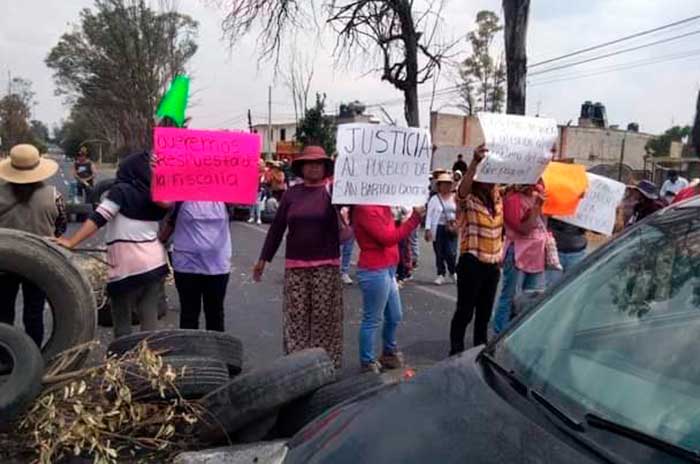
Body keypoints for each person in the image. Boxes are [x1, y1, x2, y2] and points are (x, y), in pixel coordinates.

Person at [55, 151, 170, 338]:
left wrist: (71, 241)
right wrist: (158, 174)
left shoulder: (121, 191)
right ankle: (148, 353)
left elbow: (99, 217)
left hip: (127, 262)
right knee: (148, 310)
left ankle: (122, 356)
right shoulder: (157, 195)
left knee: (121, 311)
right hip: (155, 261)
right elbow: (166, 204)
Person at [253, 146, 344, 368]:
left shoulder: (334, 192)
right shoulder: (292, 194)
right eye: (308, 163)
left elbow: (348, 226)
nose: (313, 166)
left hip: (326, 266)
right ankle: (297, 368)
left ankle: (325, 365)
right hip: (295, 268)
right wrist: (263, 260)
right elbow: (276, 229)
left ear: (325, 167)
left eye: (318, 163)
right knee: (296, 319)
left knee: (324, 320)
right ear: (301, 167)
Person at [0, 144, 67, 347]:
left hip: (5, 261)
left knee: (3, 311)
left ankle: (5, 356)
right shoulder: (54, 195)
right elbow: (61, 227)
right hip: (39, 261)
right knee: (34, 312)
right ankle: (34, 354)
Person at [352, 202, 424, 373]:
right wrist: (414, 219)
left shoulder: (383, 206)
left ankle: (388, 352)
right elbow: (387, 238)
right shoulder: (364, 209)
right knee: (373, 318)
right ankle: (367, 360)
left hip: (388, 267)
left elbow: (392, 234)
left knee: (394, 315)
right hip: (374, 269)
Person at [449, 146, 503, 355]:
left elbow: (523, 181)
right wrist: (474, 162)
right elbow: (461, 192)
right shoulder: (469, 199)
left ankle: (480, 351)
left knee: (484, 314)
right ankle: (456, 351)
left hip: (492, 265)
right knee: (465, 311)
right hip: (472, 263)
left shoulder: (497, 197)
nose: (491, 180)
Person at [161, 201, 232, 331]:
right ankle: (191, 349)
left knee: (214, 313)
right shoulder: (181, 200)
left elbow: (170, 226)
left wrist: (161, 240)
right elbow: (170, 221)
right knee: (190, 314)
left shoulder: (225, 201)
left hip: (216, 268)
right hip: (187, 267)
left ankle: (215, 349)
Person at [492, 181, 547, 335]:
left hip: (536, 255)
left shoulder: (538, 196)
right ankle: (499, 334)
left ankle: (520, 334)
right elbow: (524, 229)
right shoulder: (512, 199)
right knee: (510, 297)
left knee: (531, 298)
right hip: (517, 253)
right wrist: (536, 208)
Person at [425, 172, 457, 285]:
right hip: (438, 227)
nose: (446, 186)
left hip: (452, 228)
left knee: (451, 252)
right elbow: (429, 214)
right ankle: (440, 273)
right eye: (443, 184)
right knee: (439, 252)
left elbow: (460, 212)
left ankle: (453, 271)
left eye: (448, 184)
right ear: (439, 185)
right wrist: (428, 229)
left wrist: (457, 222)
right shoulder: (434, 199)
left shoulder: (455, 198)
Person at [546, 218, 587, 286]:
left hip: (578, 253)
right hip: (553, 252)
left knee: (574, 287)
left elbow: (598, 227)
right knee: (551, 290)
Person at [339, 207, 355, 285]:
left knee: (347, 251)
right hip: (338, 230)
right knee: (338, 252)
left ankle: (344, 272)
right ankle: (337, 272)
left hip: (350, 229)